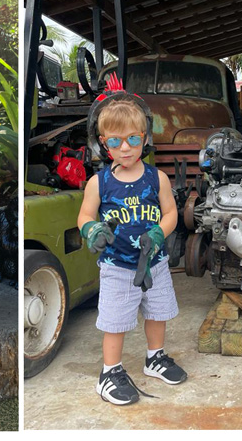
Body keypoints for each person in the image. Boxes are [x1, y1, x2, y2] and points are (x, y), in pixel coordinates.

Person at [78, 94, 187, 406]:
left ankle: (155, 357)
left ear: (145, 138)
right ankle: (109, 372)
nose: (124, 148)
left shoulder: (158, 178)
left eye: (132, 139)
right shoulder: (98, 183)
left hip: (154, 263)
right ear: (103, 143)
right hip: (117, 265)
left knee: (157, 312)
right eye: (115, 142)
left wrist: (159, 231)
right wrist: (92, 229)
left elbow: (171, 214)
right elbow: (85, 214)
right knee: (115, 321)